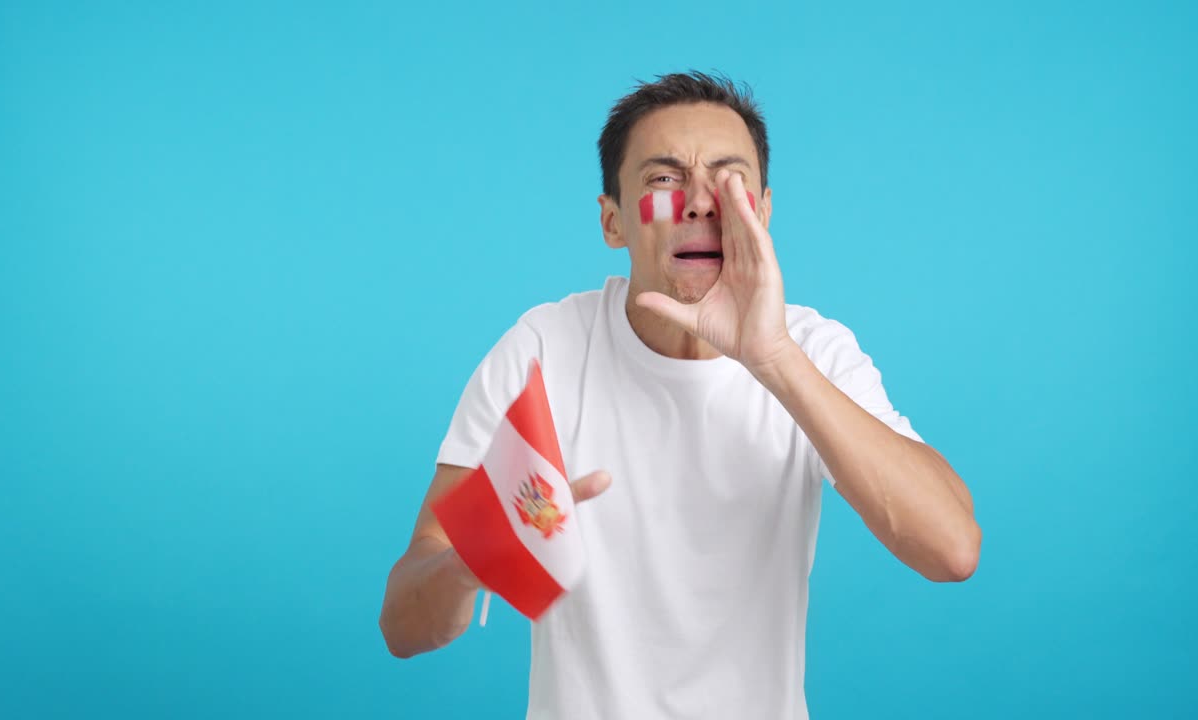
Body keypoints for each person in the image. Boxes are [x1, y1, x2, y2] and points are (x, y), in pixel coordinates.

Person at [379, 71, 980, 719]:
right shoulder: (543, 350)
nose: (700, 203)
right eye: (664, 180)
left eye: (729, 181)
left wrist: (774, 358)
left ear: (764, 211)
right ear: (612, 221)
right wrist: (478, 557)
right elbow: (403, 627)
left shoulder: (815, 348)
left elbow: (952, 549)